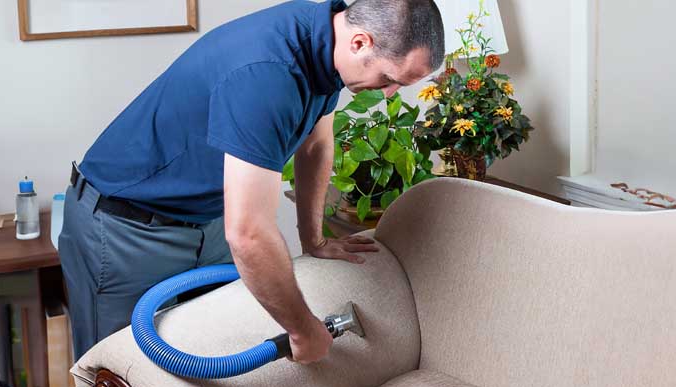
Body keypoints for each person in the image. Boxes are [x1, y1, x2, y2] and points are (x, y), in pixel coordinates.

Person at [59, 0, 445, 363]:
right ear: (360, 42)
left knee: (212, 348)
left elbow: (316, 146)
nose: (391, 93)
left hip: (203, 221)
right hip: (124, 228)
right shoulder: (268, 73)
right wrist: (303, 330)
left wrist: (315, 239)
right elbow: (248, 235)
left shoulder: (326, 43)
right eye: (390, 78)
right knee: (117, 371)